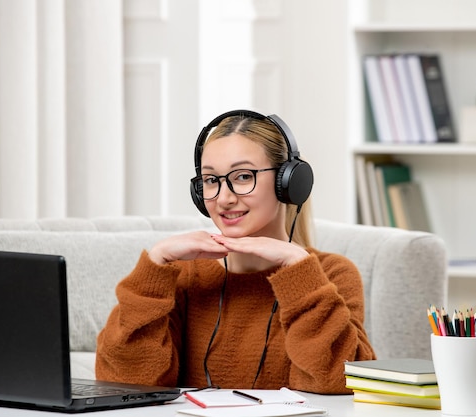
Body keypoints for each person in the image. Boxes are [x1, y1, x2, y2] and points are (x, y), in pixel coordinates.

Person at [95, 110, 376, 394]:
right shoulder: (181, 275)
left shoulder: (330, 274)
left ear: (288, 183)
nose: (224, 198)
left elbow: (339, 383)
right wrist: (155, 265)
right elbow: (123, 383)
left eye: (243, 176)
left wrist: (298, 271)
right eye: (211, 180)